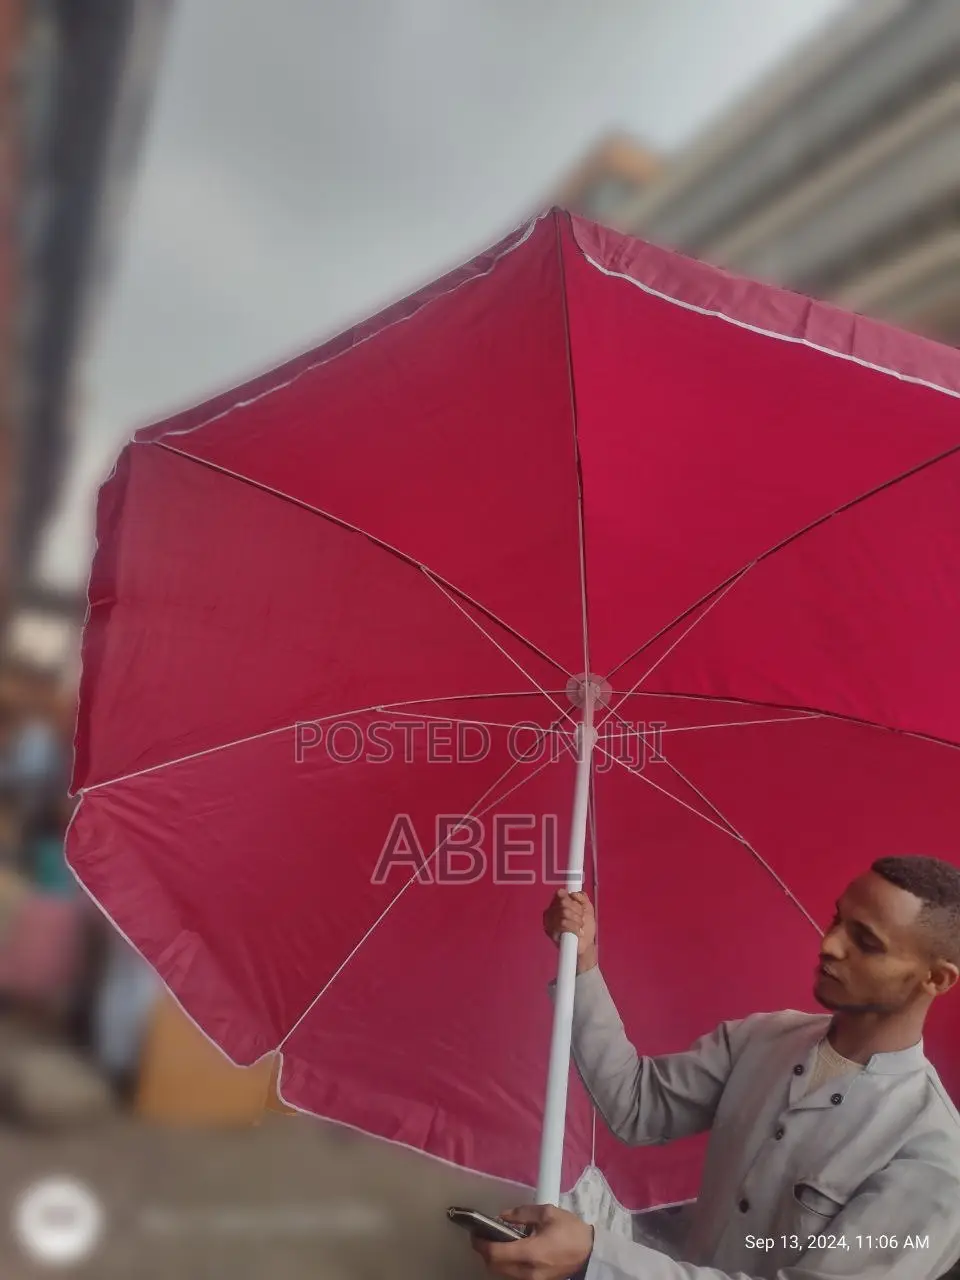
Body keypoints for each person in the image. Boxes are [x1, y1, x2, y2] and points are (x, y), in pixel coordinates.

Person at [472, 855, 960, 1280]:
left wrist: (595, 1260)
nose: (830, 944)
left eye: (866, 942)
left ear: (936, 978)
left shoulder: (931, 1159)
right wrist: (581, 961)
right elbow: (637, 1105)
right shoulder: (763, 1039)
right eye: (837, 919)